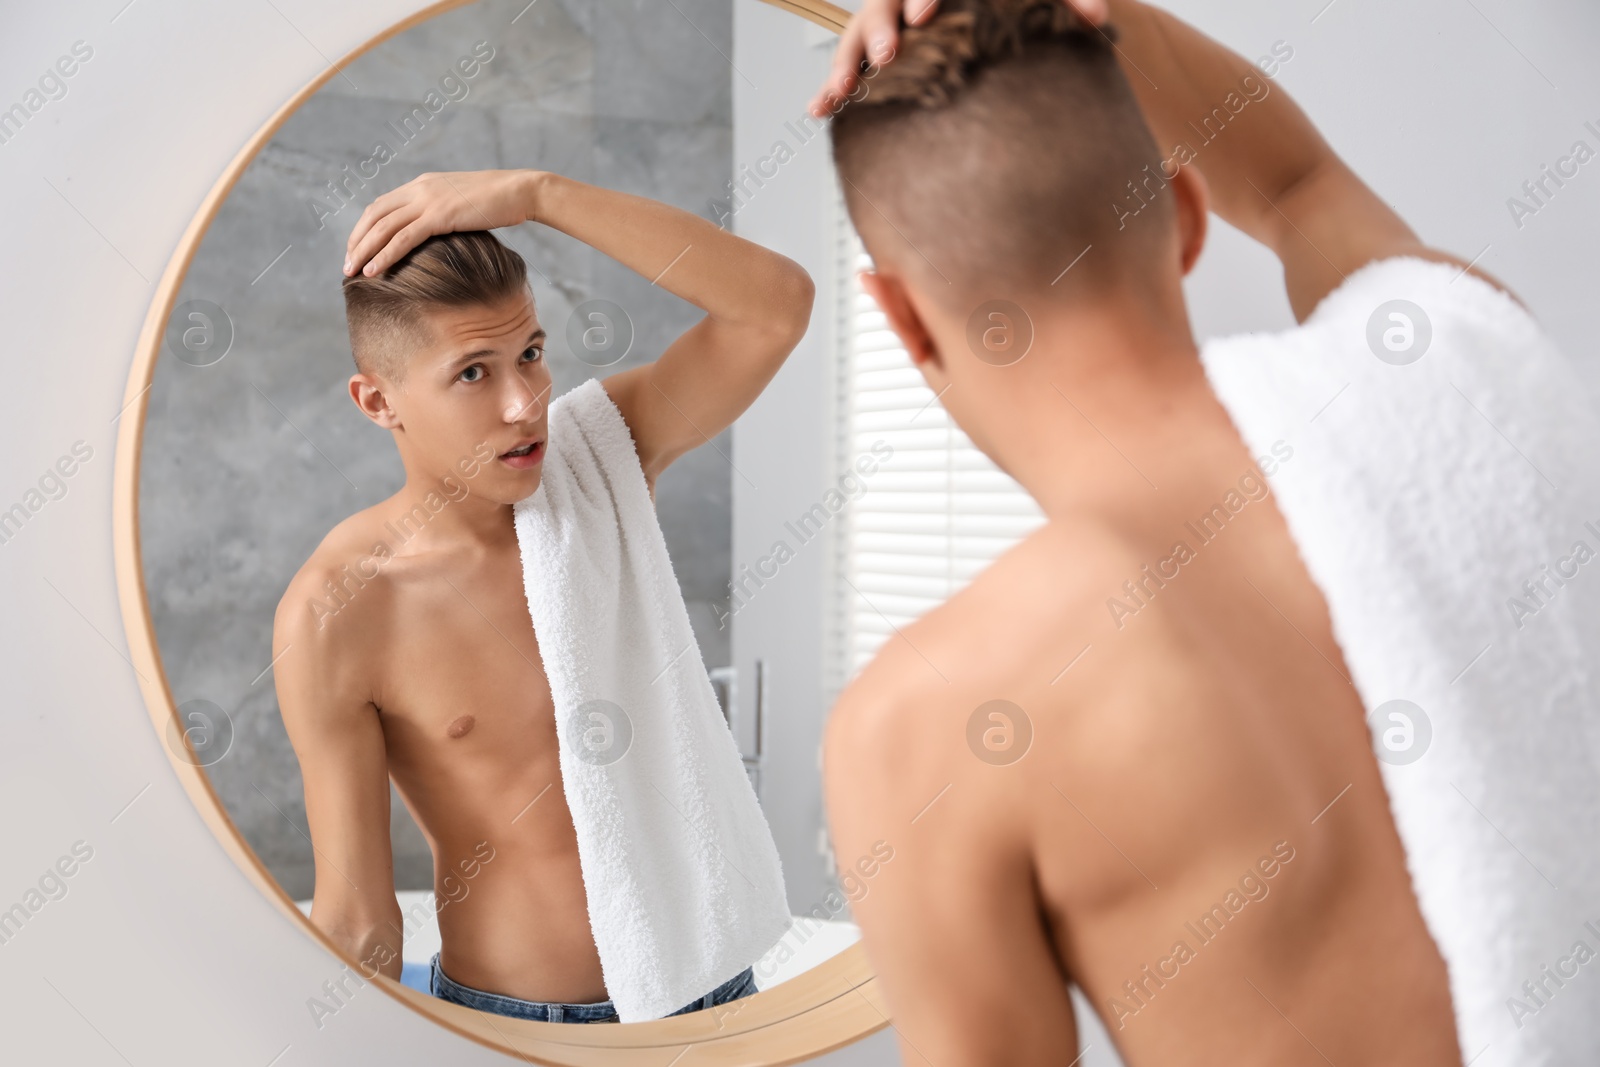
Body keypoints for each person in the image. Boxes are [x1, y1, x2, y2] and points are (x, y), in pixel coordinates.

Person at [811, 0, 1542, 1062]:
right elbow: (1298, 185)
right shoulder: (1454, 376)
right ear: (1186, 215)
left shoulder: (925, 721)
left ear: (900, 317)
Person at [272, 169, 813, 1023]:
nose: (527, 403)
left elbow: (775, 306)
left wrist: (539, 194)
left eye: (530, 352)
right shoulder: (341, 608)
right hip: (512, 1028)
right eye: (473, 373)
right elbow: (358, 920)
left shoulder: (603, 462)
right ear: (379, 402)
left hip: (710, 1002)